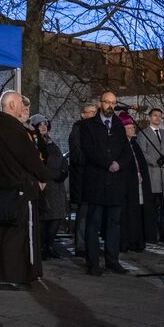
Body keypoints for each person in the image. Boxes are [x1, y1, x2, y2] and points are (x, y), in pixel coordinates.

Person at [0, 91, 51, 290]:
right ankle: (16, 274)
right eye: (21, 103)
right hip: (20, 189)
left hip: (5, 189)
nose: (24, 108)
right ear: (12, 105)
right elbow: (30, 158)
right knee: (18, 236)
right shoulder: (13, 130)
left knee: (3, 235)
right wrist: (43, 176)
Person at [80, 91, 132, 276]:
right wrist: (107, 163)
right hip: (97, 181)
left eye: (113, 102)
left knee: (114, 224)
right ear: (100, 103)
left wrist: (119, 164)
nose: (110, 106)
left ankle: (112, 260)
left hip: (115, 183)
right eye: (107, 102)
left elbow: (126, 151)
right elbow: (88, 150)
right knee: (93, 224)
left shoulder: (118, 125)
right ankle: (93, 263)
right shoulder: (88, 125)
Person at [30, 115, 68, 260]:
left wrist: (63, 171)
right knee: (45, 217)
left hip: (57, 186)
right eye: (40, 125)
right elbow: (39, 164)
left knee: (56, 216)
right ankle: (41, 247)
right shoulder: (35, 142)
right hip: (45, 184)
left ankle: (49, 246)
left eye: (45, 124)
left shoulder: (51, 142)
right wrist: (53, 174)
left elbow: (61, 159)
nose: (43, 127)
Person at [136, 108, 164, 242]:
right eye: (155, 115)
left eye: (160, 116)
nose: (158, 118)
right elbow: (142, 152)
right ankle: (151, 235)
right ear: (150, 117)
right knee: (152, 208)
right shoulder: (143, 133)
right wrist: (155, 161)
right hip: (152, 175)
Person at [118, 113, 156, 252]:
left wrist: (141, 175)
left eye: (133, 127)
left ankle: (138, 241)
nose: (133, 129)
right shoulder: (120, 145)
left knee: (138, 212)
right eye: (129, 127)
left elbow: (141, 164)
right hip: (127, 186)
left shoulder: (135, 144)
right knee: (127, 213)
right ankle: (126, 241)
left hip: (139, 184)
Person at [68, 103, 97, 257]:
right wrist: (93, 159)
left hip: (95, 178)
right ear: (83, 114)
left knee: (94, 214)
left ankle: (92, 244)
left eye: (95, 112)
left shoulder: (98, 130)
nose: (93, 114)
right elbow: (76, 154)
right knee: (84, 213)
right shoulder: (78, 129)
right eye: (90, 112)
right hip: (82, 178)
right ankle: (80, 245)